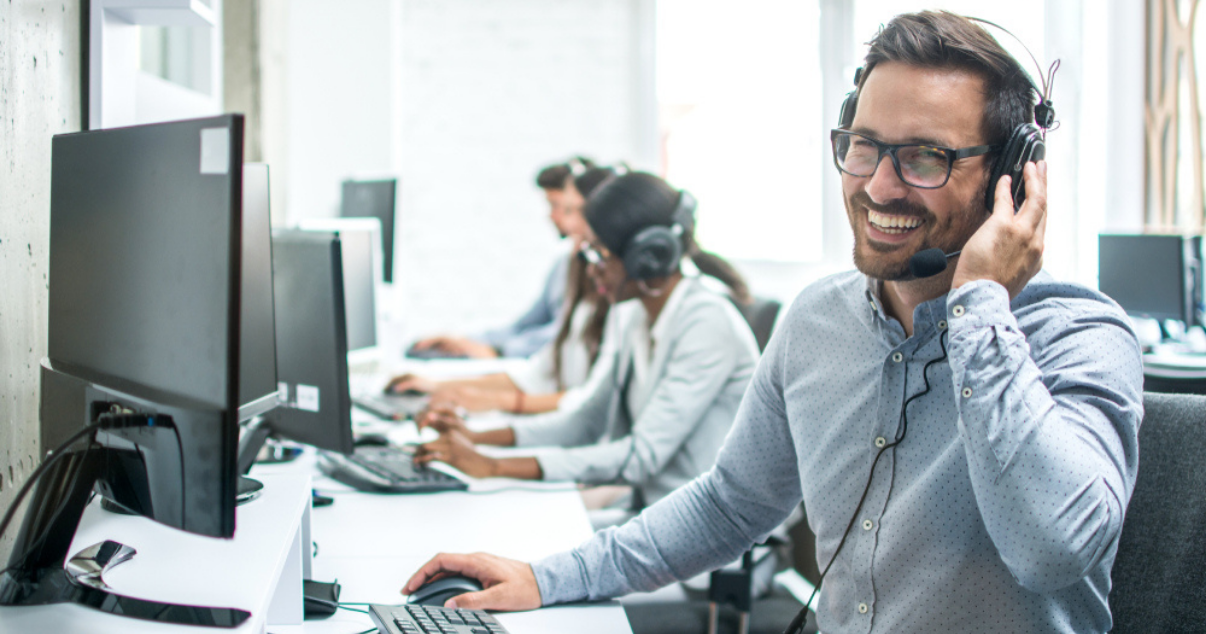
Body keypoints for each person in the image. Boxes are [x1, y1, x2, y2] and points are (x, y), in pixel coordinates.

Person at [401, 12, 1145, 634]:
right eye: (863, 147)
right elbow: (731, 502)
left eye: (925, 157)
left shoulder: (1079, 336)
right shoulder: (819, 320)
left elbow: (1052, 551)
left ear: (1013, 177)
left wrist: (982, 307)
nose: (879, 185)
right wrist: (545, 577)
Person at [412, 172, 759, 521]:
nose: (589, 269)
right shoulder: (633, 314)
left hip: (710, 535)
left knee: (527, 542)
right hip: (657, 514)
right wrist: (476, 438)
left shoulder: (706, 323)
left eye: (598, 253)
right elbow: (585, 422)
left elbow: (640, 457)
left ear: (646, 256)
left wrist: (492, 465)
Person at [388, 167, 619, 414]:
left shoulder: (616, 304)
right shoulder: (571, 271)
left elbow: (587, 403)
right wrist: (440, 383)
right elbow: (536, 367)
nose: (562, 220)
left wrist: (493, 375)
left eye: (572, 210)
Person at [408, 157, 596, 359]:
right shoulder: (563, 266)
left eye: (559, 207)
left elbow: (569, 334)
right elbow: (524, 325)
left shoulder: (600, 270)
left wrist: (499, 351)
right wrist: (466, 342)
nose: (552, 216)